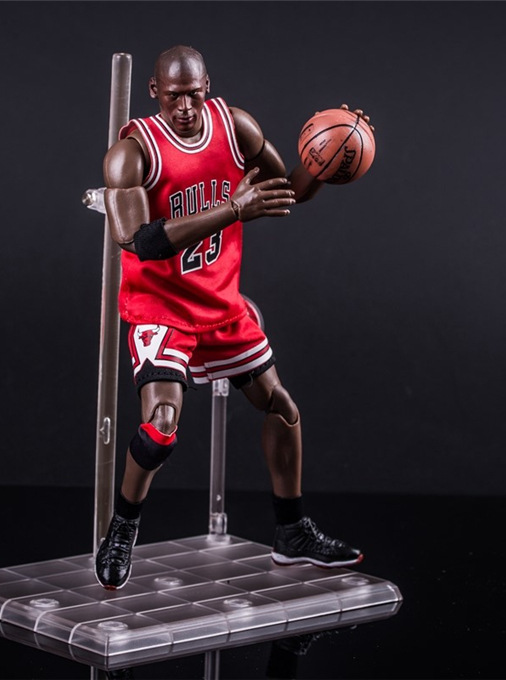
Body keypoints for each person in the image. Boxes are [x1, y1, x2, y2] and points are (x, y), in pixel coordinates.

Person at [95, 45, 371, 590]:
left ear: (208, 87)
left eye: (193, 95)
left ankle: (292, 533)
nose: (185, 107)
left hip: (221, 305)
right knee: (162, 424)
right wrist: (231, 210)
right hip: (162, 308)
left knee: (282, 408)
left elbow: (286, 189)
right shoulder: (132, 152)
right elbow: (139, 241)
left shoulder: (235, 126)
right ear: (154, 91)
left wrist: (326, 160)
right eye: (173, 96)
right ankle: (122, 526)